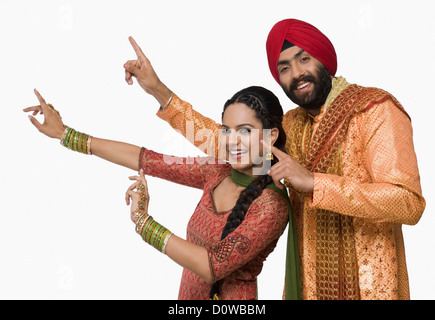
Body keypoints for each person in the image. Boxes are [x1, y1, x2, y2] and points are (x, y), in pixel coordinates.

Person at [122, 19, 426, 300]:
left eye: (304, 59)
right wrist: (160, 93)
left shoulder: (374, 109)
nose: (297, 74)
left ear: (323, 58)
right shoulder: (291, 126)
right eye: (284, 68)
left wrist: (315, 183)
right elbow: (225, 141)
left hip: (371, 285)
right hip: (310, 286)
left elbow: (409, 202)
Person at [23, 86, 301, 300]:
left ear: (270, 136)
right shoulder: (216, 171)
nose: (233, 141)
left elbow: (211, 265)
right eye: (227, 131)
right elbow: (149, 160)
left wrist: (144, 223)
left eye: (245, 131)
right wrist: (66, 135)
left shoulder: (271, 205)